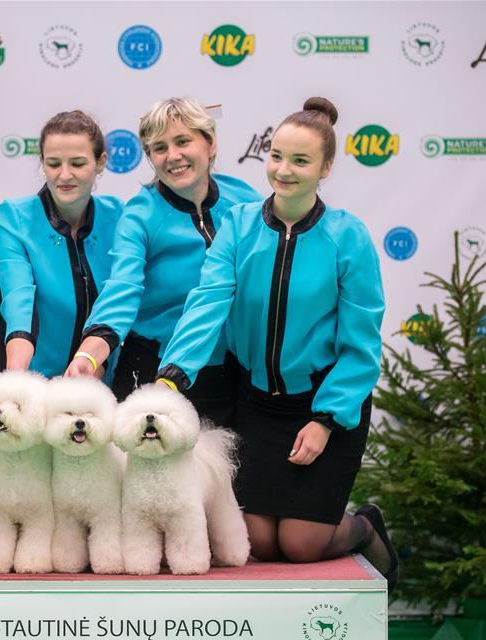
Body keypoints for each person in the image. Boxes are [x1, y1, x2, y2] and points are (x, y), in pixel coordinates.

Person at [155, 98, 399, 591]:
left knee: (302, 546)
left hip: (325, 405)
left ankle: (365, 524)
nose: (283, 170)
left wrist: (326, 420)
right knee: (260, 543)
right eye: (276, 155)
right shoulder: (239, 226)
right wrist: (172, 375)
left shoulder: (348, 237)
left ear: (326, 167)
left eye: (300, 161)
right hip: (259, 405)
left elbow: (360, 345)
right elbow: (208, 302)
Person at [65, 97, 261, 426]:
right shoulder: (140, 215)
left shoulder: (246, 202)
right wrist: (90, 352)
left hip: (231, 372)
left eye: (183, 141)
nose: (172, 156)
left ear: (210, 144)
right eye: (158, 148)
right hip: (152, 370)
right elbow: (121, 289)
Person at [0, 111, 123, 385]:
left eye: (78, 163)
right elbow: (18, 299)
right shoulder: (15, 218)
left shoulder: (118, 216)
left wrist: (96, 366)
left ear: (100, 162)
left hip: (99, 382)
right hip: (32, 382)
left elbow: (119, 301)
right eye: (53, 163)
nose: (64, 175)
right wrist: (17, 376)